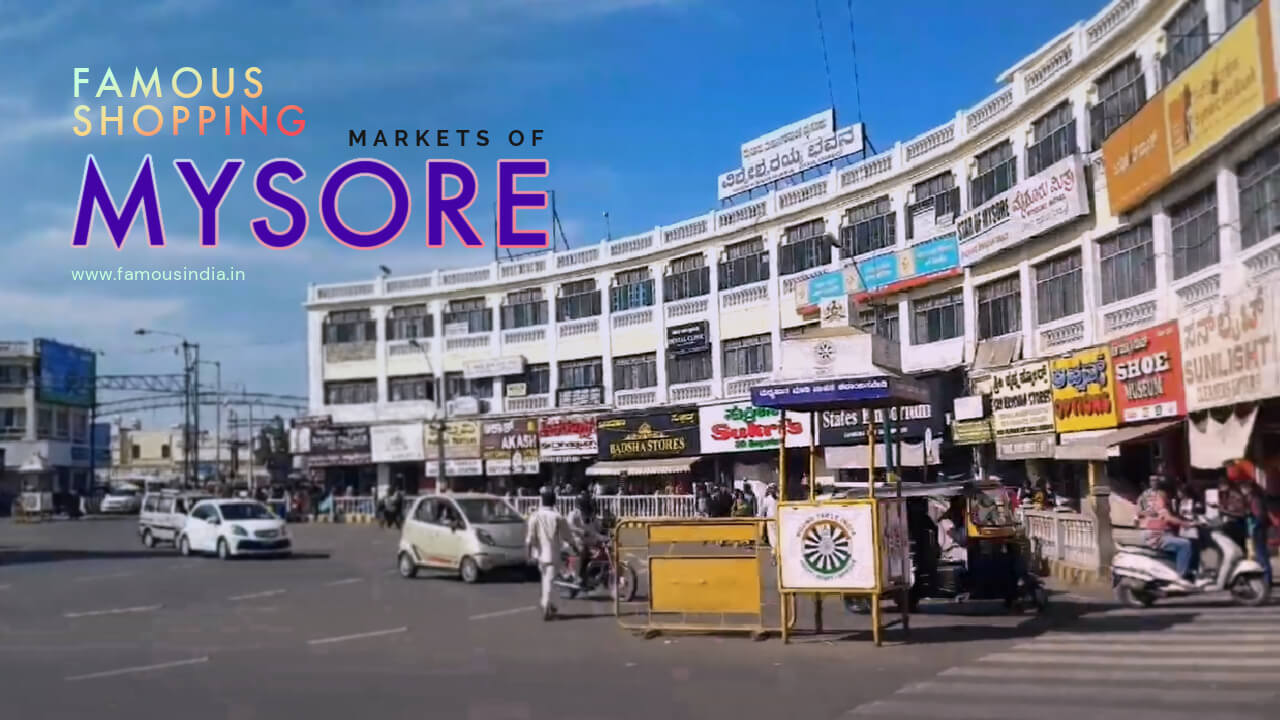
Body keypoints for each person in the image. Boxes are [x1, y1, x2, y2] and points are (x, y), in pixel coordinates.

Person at [1136, 475, 1197, 583]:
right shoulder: (1158, 499)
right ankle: (1180, 579)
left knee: (1176, 538)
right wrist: (1186, 524)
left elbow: (1138, 515)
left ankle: (1174, 572)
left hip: (1149, 532)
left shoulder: (1146, 496)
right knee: (1185, 544)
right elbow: (1167, 518)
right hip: (1155, 536)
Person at [526, 487, 574, 620]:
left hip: (539, 554)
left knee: (545, 578)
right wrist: (575, 547)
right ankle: (546, 604)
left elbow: (529, 539)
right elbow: (568, 536)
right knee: (550, 580)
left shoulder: (534, 516)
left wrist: (529, 555)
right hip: (553, 554)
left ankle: (547, 603)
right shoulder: (558, 517)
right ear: (554, 501)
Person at [566, 491, 605, 591]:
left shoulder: (592, 515)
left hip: (591, 541)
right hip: (577, 541)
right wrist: (580, 531)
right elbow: (569, 526)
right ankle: (578, 576)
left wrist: (605, 531)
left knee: (604, 550)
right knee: (583, 550)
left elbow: (598, 527)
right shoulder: (574, 514)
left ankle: (598, 574)